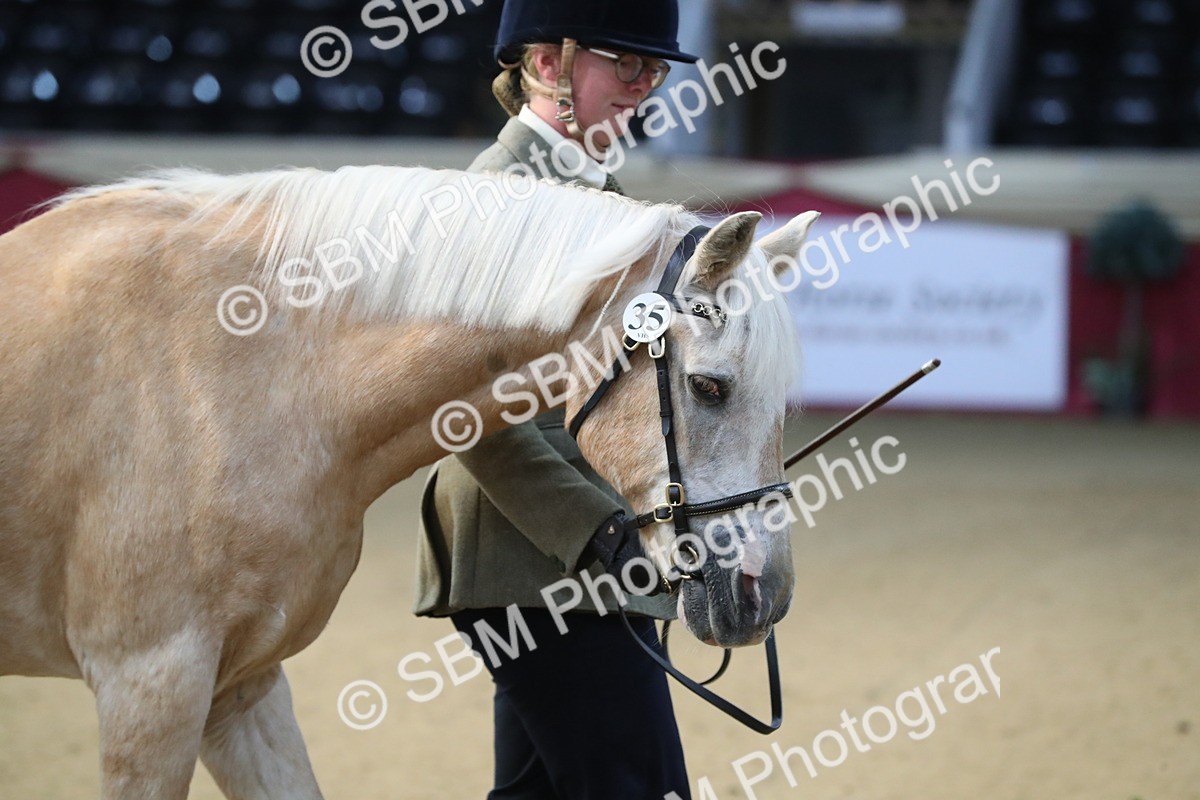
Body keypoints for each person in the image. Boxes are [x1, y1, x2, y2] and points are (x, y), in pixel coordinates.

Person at [413, 1, 700, 798]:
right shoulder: (495, 200)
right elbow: (463, 408)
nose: (644, 85)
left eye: (654, 69)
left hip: (602, 550)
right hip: (532, 555)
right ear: (547, 64)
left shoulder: (601, 193)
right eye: (626, 63)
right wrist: (593, 529)